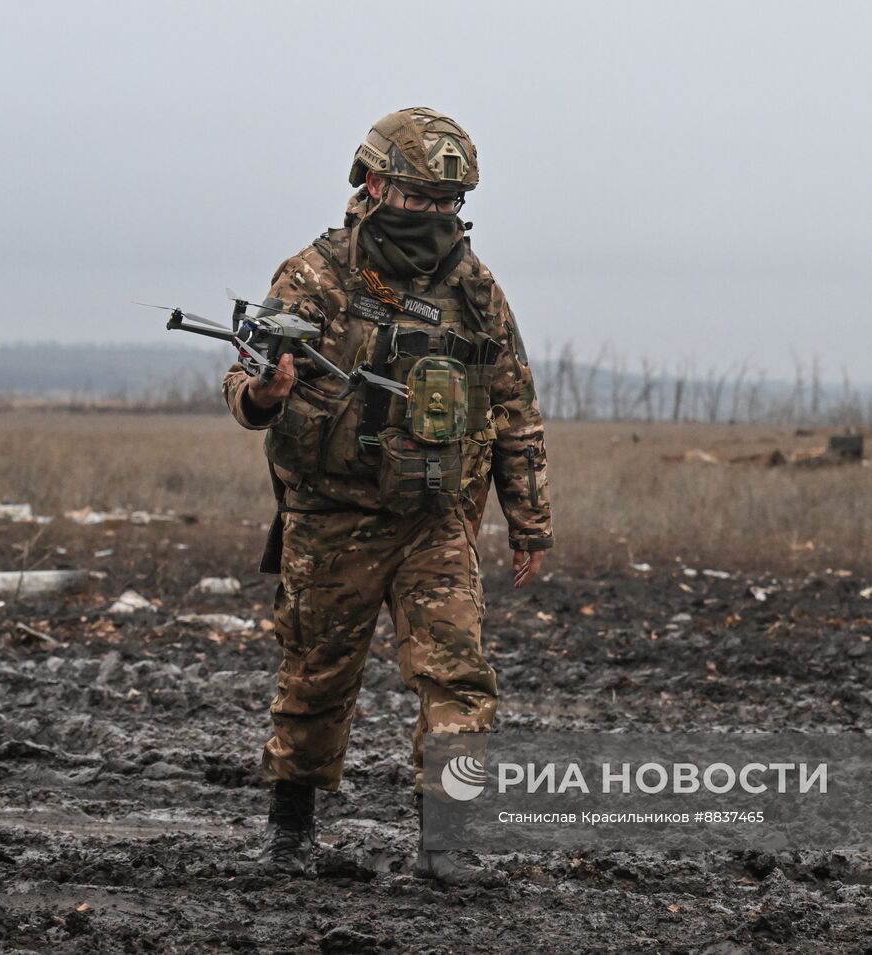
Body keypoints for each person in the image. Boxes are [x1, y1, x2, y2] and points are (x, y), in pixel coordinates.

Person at [221, 107, 554, 886]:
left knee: (459, 678)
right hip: (333, 516)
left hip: (436, 520)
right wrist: (267, 393)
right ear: (372, 183)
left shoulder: (474, 289)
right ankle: (290, 834)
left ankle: (448, 842)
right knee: (315, 673)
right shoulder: (314, 277)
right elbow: (243, 384)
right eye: (418, 198)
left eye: (449, 204)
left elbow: (514, 407)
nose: (435, 216)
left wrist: (530, 519)